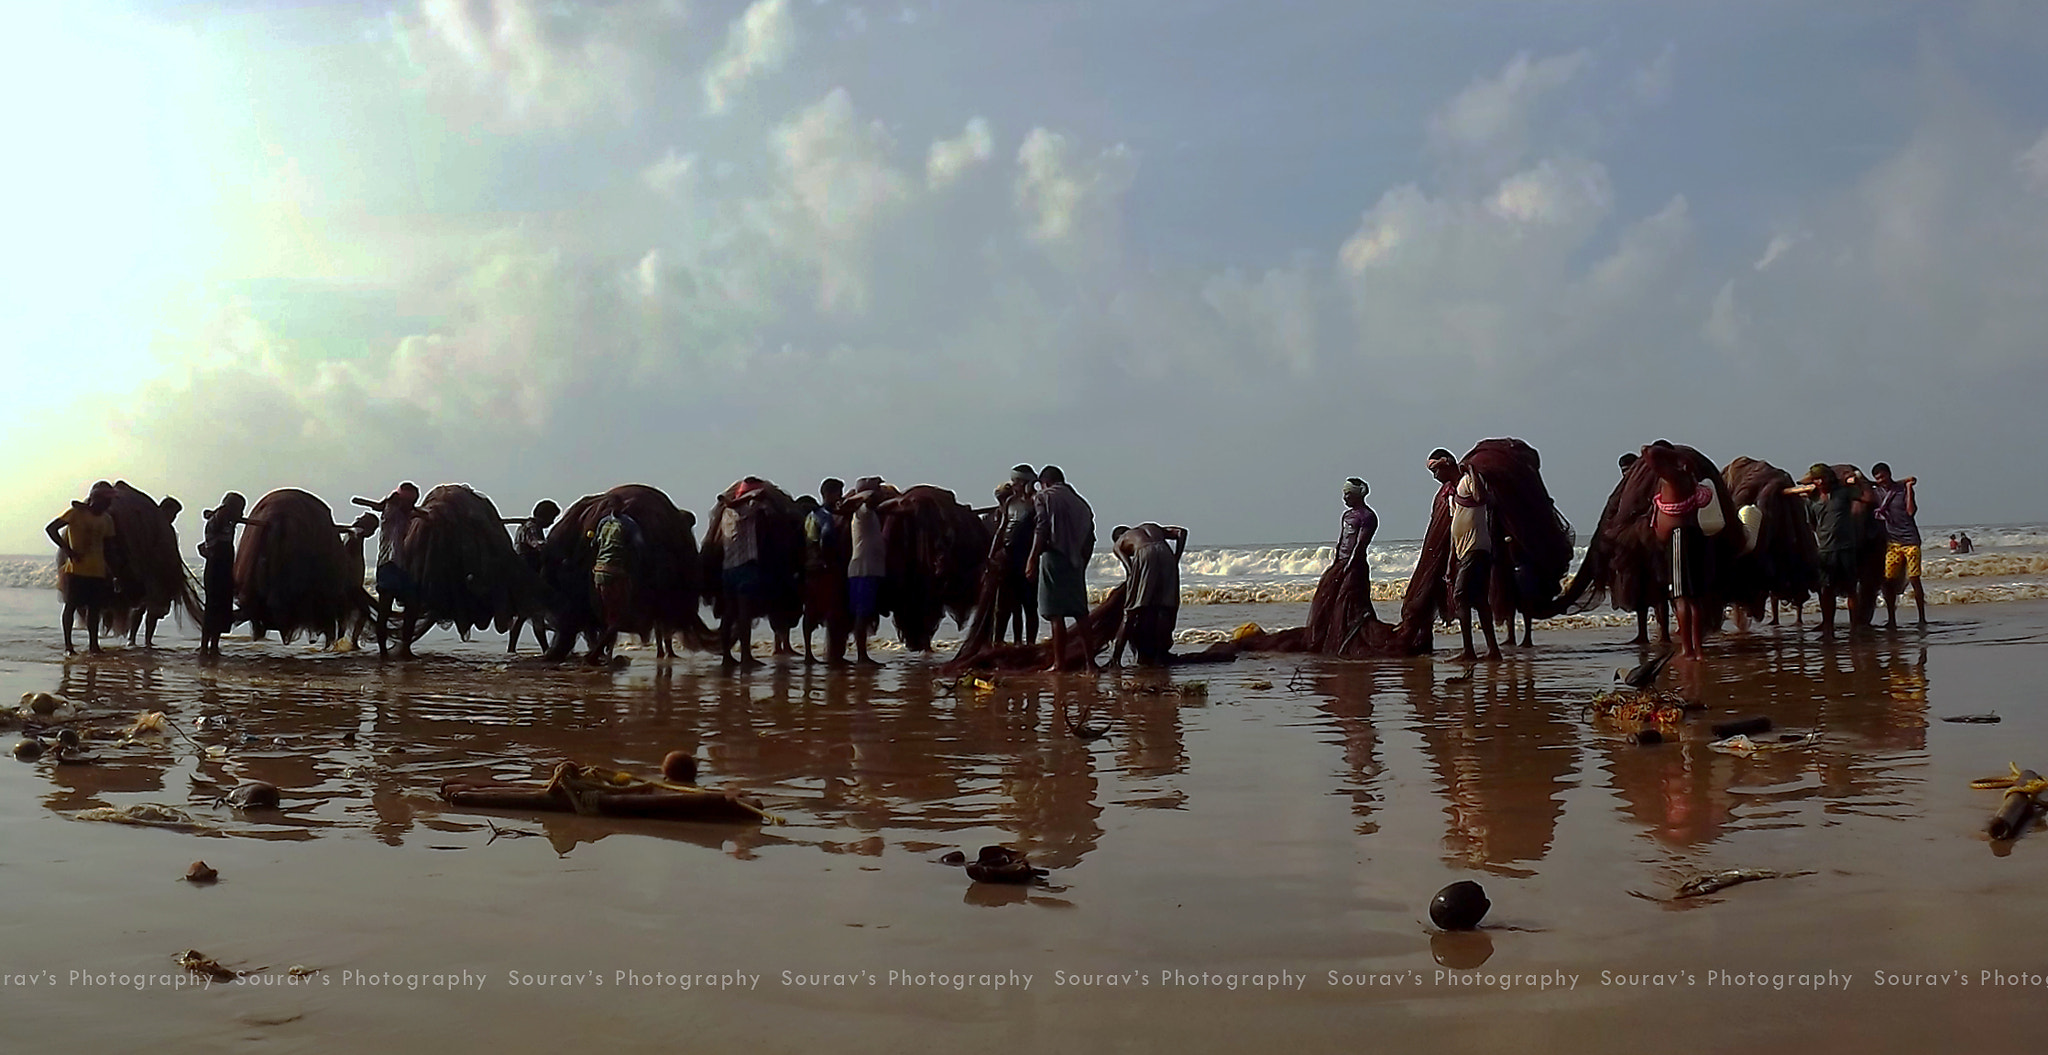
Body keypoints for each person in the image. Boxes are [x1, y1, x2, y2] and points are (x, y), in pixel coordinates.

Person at [1431, 449, 1500, 662]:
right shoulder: (1452, 493)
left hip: (1477, 548)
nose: (1435, 476)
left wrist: (1471, 469)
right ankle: (1492, 650)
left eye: (1436, 470)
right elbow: (1455, 528)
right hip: (1463, 552)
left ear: (1447, 464)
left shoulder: (1469, 481)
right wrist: (1452, 560)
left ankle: (1469, 650)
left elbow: (1482, 498)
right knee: (1479, 600)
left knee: (1460, 596)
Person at [1647, 444, 1714, 661]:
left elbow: (1648, 452)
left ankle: (1688, 650)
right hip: (1693, 537)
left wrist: (1671, 454)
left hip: (1679, 539)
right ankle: (1698, 649)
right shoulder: (1691, 480)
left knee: (1681, 598)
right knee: (1694, 598)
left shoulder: (1673, 476)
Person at [1027, 465, 1097, 673]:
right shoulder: (1080, 502)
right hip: (1075, 560)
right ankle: (1090, 663)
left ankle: (1059, 664)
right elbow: (1090, 536)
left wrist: (1032, 558)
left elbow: (1042, 528)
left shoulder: (1043, 497)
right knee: (1080, 613)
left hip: (1053, 557)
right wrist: (1083, 560)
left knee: (1055, 614)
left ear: (1045, 482)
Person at [1786, 464, 1866, 636]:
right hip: (1825, 550)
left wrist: (1857, 481)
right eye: (1816, 478)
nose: (1820, 481)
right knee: (1826, 590)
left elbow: (1864, 496)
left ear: (1830, 478)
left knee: (1851, 589)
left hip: (1846, 548)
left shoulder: (1843, 493)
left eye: (1823, 477)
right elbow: (1813, 525)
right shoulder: (1811, 501)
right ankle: (1828, 626)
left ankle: (1855, 627)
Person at [47, 484, 118, 654]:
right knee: (70, 606)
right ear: (95, 499)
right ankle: (68, 646)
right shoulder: (75, 513)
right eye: (106, 500)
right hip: (75, 570)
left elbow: (108, 547)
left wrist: (113, 571)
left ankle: (94, 645)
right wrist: (68, 551)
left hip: (97, 571)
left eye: (109, 501)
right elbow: (51, 529)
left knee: (94, 610)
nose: (108, 504)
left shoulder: (106, 520)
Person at [1108, 522, 1188, 667]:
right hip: (1166, 552)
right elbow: (1182, 532)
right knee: (1164, 608)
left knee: (1131, 611)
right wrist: (1176, 557)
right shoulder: (1151, 526)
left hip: (1145, 553)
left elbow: (1130, 570)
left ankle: (1115, 659)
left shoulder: (1119, 543)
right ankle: (1160, 657)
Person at [712, 480, 771, 669]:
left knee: (729, 615)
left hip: (728, 569)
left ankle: (726, 656)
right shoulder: (748, 510)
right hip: (745, 568)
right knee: (745, 614)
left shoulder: (726, 513)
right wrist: (753, 496)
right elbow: (764, 501)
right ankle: (746, 656)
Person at [800, 478, 850, 665]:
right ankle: (833, 656)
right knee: (832, 610)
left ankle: (809, 654)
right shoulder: (825, 516)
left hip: (810, 568)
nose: (841, 497)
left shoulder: (811, 515)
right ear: (829, 494)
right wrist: (831, 561)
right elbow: (827, 536)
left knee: (811, 610)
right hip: (824, 569)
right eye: (838, 493)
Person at [196, 492, 253, 657]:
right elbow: (213, 547)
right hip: (216, 569)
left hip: (225, 568)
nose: (241, 514)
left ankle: (214, 645)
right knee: (213, 607)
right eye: (239, 509)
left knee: (222, 607)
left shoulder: (226, 520)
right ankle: (205, 646)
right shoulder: (219, 520)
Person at [1868, 463, 1925, 628]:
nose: (1881, 480)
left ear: (1889, 474)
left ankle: (1922, 617)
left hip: (1910, 540)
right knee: (1888, 581)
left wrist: (1908, 489)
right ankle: (1891, 618)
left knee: (1914, 579)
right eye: (1877, 478)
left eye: (1883, 476)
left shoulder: (1901, 490)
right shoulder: (1877, 492)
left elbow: (1910, 511)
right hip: (1892, 542)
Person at [992, 465, 1040, 645]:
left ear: (1027, 483)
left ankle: (1030, 644)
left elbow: (1039, 531)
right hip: (1008, 558)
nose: (1014, 486)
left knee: (1029, 605)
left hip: (1026, 559)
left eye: (1017, 482)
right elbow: (1001, 530)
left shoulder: (1036, 501)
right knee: (1008, 605)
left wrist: (1033, 559)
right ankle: (1008, 641)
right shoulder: (1011, 501)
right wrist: (992, 555)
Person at [355, 482, 420, 610]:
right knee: (385, 605)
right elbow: (382, 504)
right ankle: (382, 629)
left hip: (403, 566)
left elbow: (422, 514)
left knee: (412, 604)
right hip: (387, 564)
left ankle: (405, 630)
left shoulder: (409, 516)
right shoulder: (390, 510)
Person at [504, 500, 559, 653]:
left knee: (522, 615)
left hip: (522, 575)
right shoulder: (532, 528)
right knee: (537, 614)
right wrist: (554, 549)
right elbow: (537, 544)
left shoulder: (527, 525)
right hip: (528, 576)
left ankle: (511, 649)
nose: (552, 522)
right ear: (545, 516)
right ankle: (546, 650)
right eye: (551, 518)